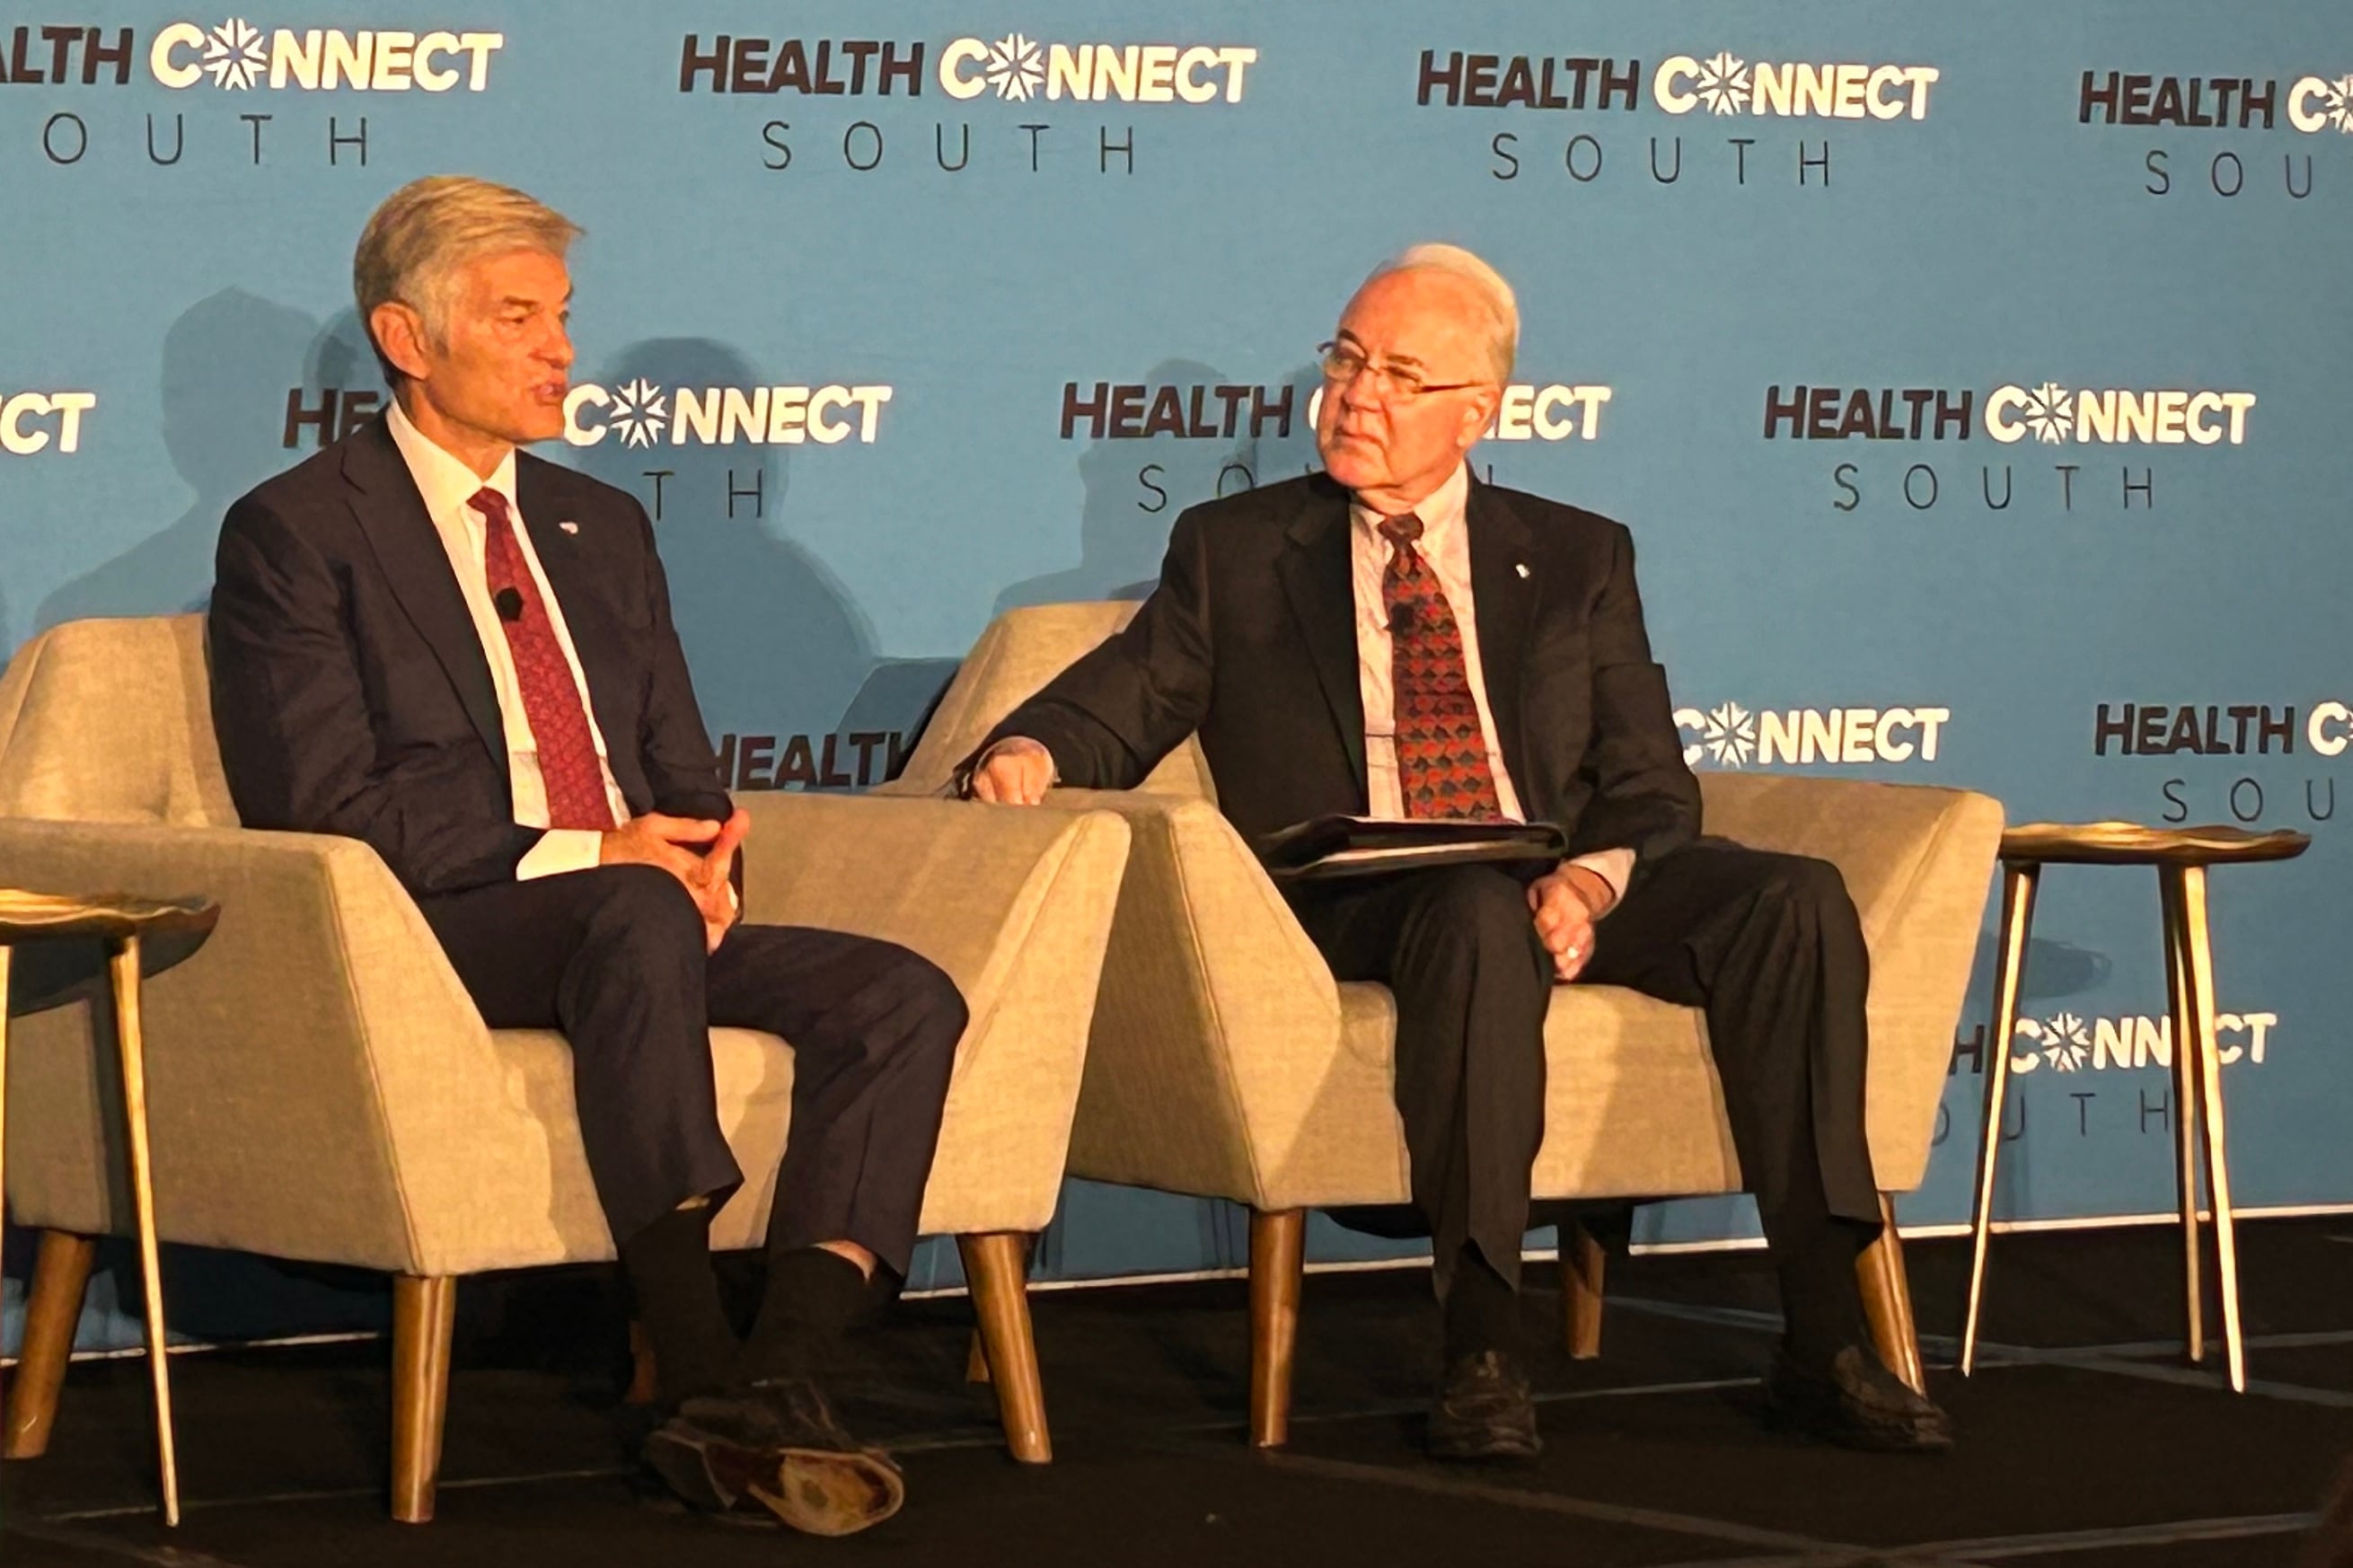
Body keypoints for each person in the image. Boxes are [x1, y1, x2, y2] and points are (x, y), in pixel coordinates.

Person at [965, 244, 1952, 1461]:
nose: (1355, 394)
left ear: (1476, 411)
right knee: (1480, 914)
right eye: (1345, 359)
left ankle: (1822, 1335)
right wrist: (1028, 749)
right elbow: (1123, 697)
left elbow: (1649, 781)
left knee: (1792, 901)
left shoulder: (1580, 554)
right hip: (1362, 891)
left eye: (1397, 374)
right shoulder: (1237, 552)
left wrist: (1593, 880)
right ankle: (1485, 1345)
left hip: (1549, 865)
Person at [207, 175, 966, 1536]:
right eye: (519, 318)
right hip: (441, 922)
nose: (564, 351)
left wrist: (709, 848)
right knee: (627, 908)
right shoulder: (301, 530)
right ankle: (694, 1345)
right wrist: (597, 852)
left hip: (639, 920)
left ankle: (771, 1378)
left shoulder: (600, 524)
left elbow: (676, 764)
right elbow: (321, 802)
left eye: (564, 317)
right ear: (406, 336)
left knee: (899, 993)